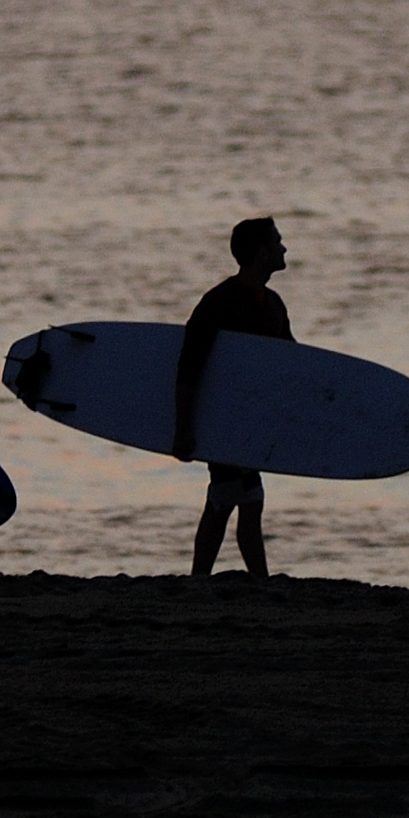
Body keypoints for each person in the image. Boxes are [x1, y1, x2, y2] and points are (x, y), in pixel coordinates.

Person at [172, 216, 293, 579]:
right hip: (220, 416)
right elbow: (189, 368)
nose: (283, 248)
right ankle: (212, 579)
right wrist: (184, 428)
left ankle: (237, 579)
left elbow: (290, 363)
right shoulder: (219, 303)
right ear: (260, 252)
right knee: (232, 499)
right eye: (277, 242)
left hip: (251, 420)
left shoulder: (272, 304)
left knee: (241, 500)